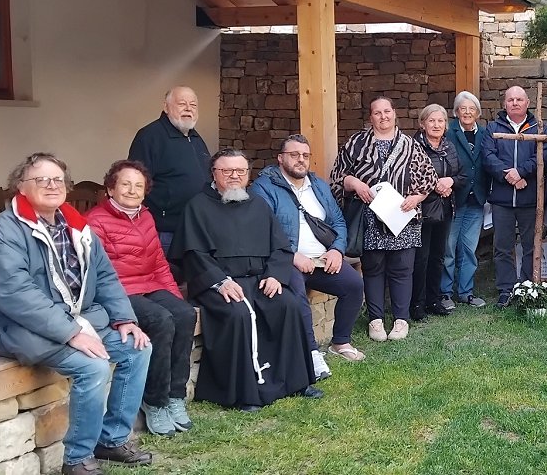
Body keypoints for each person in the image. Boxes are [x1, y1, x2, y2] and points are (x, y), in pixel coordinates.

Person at [0, 153, 153, 475]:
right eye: (41, 179)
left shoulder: (77, 226)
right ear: (20, 187)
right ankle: (78, 459)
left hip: (77, 321)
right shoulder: (5, 231)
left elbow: (105, 276)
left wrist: (124, 318)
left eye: (58, 179)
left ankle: (111, 440)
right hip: (22, 329)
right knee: (93, 367)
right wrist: (71, 333)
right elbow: (16, 294)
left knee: (137, 349)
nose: (52, 185)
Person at [170, 149, 320, 411]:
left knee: (289, 305)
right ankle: (243, 393)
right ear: (214, 174)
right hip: (219, 284)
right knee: (237, 314)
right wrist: (220, 282)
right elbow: (193, 254)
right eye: (227, 171)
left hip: (260, 280)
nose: (234, 176)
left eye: (240, 171)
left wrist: (275, 275)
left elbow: (280, 247)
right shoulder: (197, 207)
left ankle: (296, 381)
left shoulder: (258, 205)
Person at [86, 161, 197, 437]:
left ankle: (175, 396)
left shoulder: (146, 217)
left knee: (184, 314)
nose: (132, 190)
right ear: (110, 189)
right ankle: (155, 401)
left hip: (149, 284)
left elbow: (159, 262)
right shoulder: (95, 221)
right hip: (118, 291)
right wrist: (118, 311)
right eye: (125, 184)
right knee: (161, 320)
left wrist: (174, 297)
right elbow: (96, 274)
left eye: (138, 185)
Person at [253, 134, 366, 371]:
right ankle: (311, 353)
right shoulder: (264, 187)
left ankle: (340, 342)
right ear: (280, 158)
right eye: (294, 155)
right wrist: (292, 255)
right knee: (297, 295)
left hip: (322, 259)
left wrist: (336, 250)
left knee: (354, 285)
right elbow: (262, 229)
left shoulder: (318, 185)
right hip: (286, 261)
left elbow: (338, 221)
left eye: (305, 155)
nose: (300, 159)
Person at [331, 97, 436, 340]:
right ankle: (375, 320)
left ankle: (401, 320)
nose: (383, 116)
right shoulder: (356, 143)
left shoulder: (410, 145)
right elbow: (338, 175)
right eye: (377, 113)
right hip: (370, 218)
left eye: (387, 111)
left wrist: (416, 198)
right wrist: (355, 183)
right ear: (371, 117)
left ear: (394, 113)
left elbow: (429, 178)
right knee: (373, 269)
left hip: (402, 216)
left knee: (402, 269)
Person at [482, 86, 547, 307]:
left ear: (527, 103)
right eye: (511, 100)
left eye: (519, 99)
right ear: (504, 104)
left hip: (529, 198)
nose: (515, 103)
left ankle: (526, 287)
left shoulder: (538, 127)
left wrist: (522, 172)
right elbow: (488, 156)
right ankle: (506, 289)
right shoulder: (493, 128)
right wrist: (509, 176)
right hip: (502, 200)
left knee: (530, 245)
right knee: (502, 247)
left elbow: (544, 154)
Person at [128, 86, 212, 252]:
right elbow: (136, 181)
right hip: (165, 231)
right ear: (166, 107)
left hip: (196, 229)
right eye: (182, 104)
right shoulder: (150, 136)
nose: (188, 108)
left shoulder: (196, 138)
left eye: (193, 105)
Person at [412, 105, 467, 319]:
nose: (436, 125)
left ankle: (433, 300)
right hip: (421, 210)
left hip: (444, 209)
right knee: (421, 258)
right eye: (431, 121)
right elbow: (410, 177)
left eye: (440, 121)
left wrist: (450, 181)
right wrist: (435, 184)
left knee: (438, 256)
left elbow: (462, 176)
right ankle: (417, 303)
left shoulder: (449, 147)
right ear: (422, 124)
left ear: (445, 125)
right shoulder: (414, 147)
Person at [441, 91, 489, 308]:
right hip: (453, 199)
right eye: (463, 108)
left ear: (477, 113)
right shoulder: (448, 132)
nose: (467, 112)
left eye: (472, 109)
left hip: (476, 199)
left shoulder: (485, 133)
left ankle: (466, 292)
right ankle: (445, 293)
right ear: (456, 112)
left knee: (469, 248)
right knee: (449, 248)